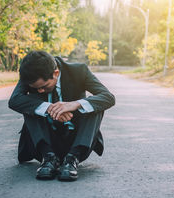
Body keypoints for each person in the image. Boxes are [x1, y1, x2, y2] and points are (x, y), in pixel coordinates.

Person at [8, 51, 115, 181]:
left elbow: (108, 97)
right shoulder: (31, 74)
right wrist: (49, 108)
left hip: (77, 141)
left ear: (56, 73)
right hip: (43, 142)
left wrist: (74, 104)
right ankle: (48, 158)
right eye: (36, 88)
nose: (40, 90)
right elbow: (14, 100)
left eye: (43, 87)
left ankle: (72, 159)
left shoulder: (79, 71)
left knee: (94, 105)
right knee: (30, 104)